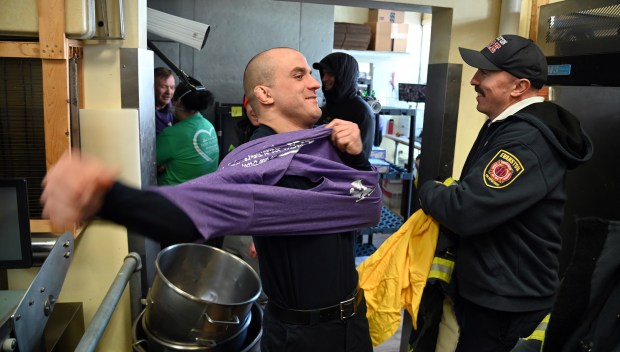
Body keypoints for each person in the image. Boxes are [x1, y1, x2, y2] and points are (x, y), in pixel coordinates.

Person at [40, 47, 381, 352]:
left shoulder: (324, 146)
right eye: (299, 75)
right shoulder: (256, 160)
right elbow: (192, 212)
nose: (315, 84)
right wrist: (108, 197)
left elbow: (367, 205)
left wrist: (356, 159)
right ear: (264, 93)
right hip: (302, 337)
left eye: (311, 74)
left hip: (353, 322)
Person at [417, 34, 593, 352]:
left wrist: (429, 188)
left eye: (485, 73)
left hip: (505, 303)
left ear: (518, 87)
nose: (474, 79)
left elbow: (465, 210)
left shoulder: (525, 140)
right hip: (492, 291)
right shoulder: (503, 125)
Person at [313, 52, 376, 158]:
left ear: (344, 76)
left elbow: (362, 159)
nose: (324, 78)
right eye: (323, 73)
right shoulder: (325, 108)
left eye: (330, 73)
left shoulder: (362, 112)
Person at [156, 82, 219, 186]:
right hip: (203, 193)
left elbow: (147, 162)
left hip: (174, 195)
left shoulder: (173, 134)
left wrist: (165, 165)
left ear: (179, 103)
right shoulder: (209, 126)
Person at [154, 67, 176, 134]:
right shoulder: (143, 114)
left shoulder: (177, 110)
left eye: (172, 87)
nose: (169, 92)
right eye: (163, 87)